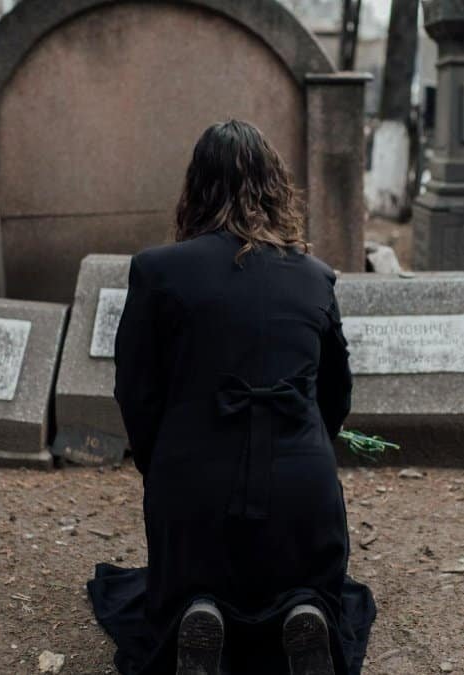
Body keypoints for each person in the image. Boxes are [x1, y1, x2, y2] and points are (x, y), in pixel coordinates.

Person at [87, 120, 376, 675]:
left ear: (195, 188)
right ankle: (303, 606)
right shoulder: (317, 277)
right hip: (300, 488)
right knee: (309, 578)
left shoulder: (157, 269)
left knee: (186, 578)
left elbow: (135, 389)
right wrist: (308, 444)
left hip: (194, 480)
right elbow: (336, 395)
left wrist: (162, 463)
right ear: (277, 187)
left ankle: (199, 608)